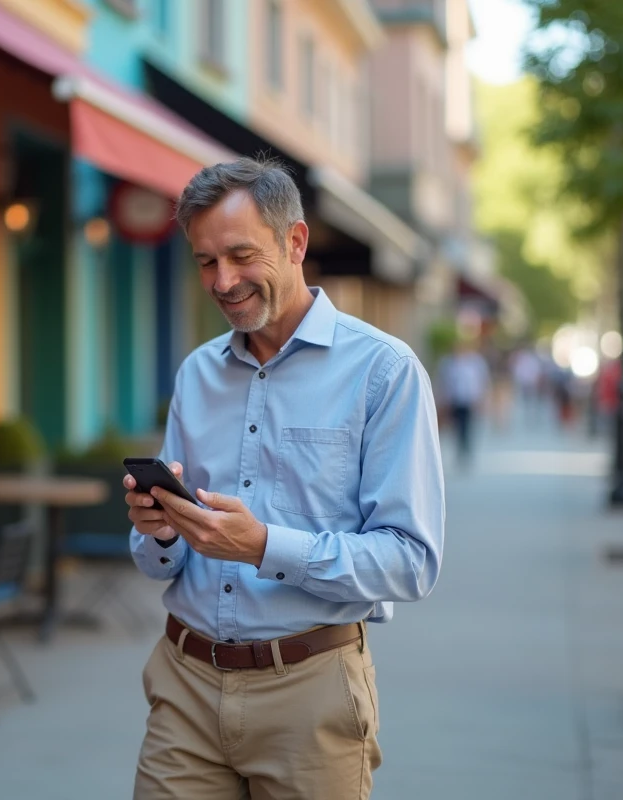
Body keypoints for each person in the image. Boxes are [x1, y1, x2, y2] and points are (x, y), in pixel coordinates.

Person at [123, 158, 445, 800]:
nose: (224, 280)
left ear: (295, 242)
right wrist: (160, 531)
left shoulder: (385, 372)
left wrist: (264, 545)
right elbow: (159, 564)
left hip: (311, 692)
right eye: (206, 261)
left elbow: (412, 562)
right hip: (183, 686)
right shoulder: (196, 374)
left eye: (242, 255)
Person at [437, 338, 491, 467]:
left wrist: (482, 400)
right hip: (454, 400)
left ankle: (466, 448)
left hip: (469, 400)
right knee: (457, 426)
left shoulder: (476, 363)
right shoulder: (448, 364)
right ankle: (460, 448)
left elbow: (482, 381)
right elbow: (443, 382)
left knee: (467, 425)